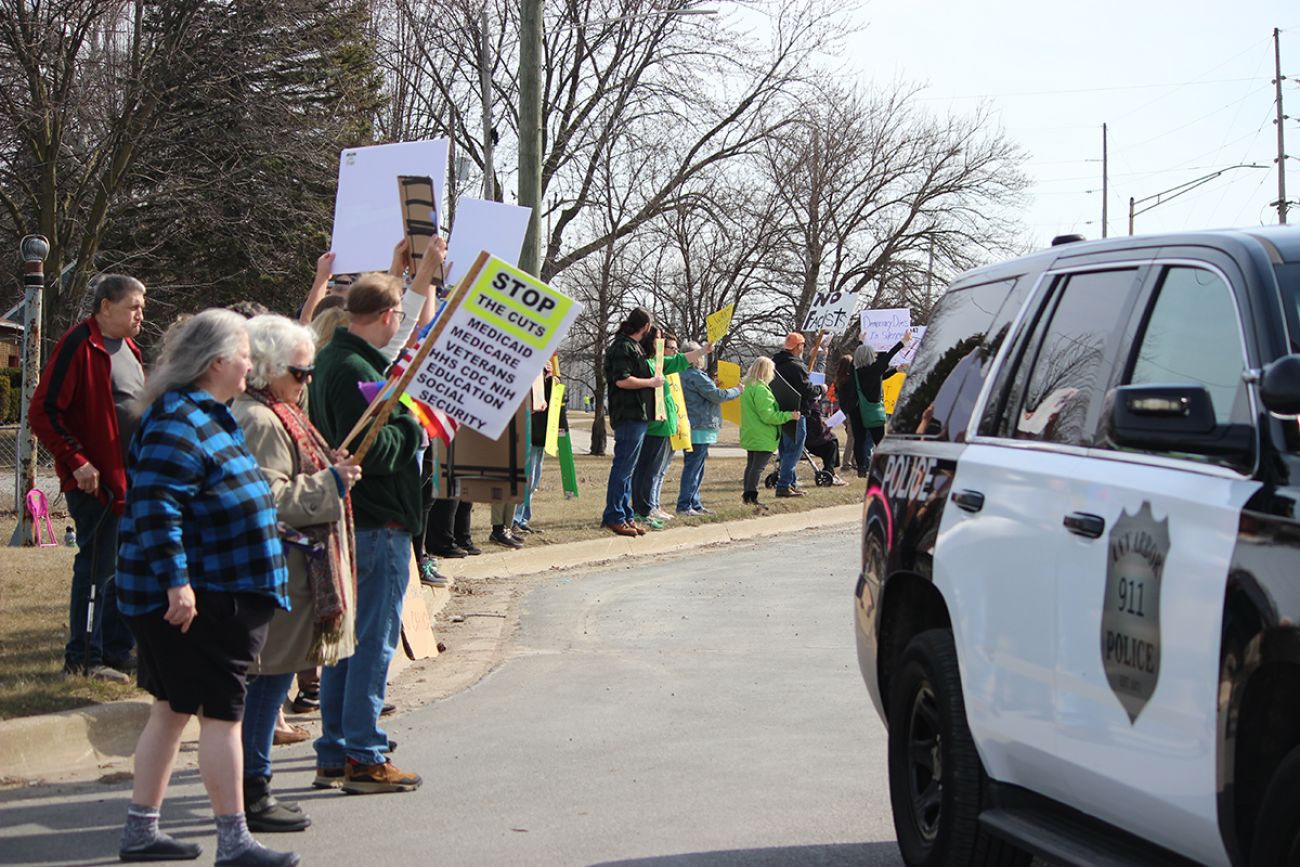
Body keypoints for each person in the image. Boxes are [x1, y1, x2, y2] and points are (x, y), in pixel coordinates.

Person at [114, 310, 298, 866]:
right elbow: (154, 507)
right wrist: (178, 585)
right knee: (222, 715)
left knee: (171, 708)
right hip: (203, 599)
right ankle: (234, 841)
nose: (251, 363)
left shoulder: (205, 414)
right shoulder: (179, 420)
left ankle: (140, 832)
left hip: (216, 591)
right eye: (244, 353)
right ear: (217, 362)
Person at [232, 315, 362, 832]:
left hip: (289, 567)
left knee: (272, 681)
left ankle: (251, 784)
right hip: (278, 568)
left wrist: (332, 475)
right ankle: (252, 790)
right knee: (267, 683)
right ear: (268, 368)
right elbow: (269, 498)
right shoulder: (260, 419)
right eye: (300, 373)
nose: (306, 382)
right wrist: (331, 483)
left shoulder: (275, 411)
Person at [309, 274, 424, 795]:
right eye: (400, 313)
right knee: (373, 642)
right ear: (386, 315)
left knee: (345, 643)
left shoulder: (339, 357)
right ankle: (363, 753)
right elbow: (370, 452)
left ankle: (335, 747)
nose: (401, 322)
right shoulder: (354, 367)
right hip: (377, 521)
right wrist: (414, 428)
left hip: (358, 521)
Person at [29, 274, 146, 683]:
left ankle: (115, 649)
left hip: (129, 481)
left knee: (124, 567)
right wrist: (77, 461)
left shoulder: (129, 348)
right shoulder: (80, 344)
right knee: (97, 569)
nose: (141, 316)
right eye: (134, 306)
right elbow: (43, 411)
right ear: (105, 306)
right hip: (94, 482)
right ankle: (84, 657)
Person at [600, 307, 663, 537]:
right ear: (645, 327)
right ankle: (614, 516)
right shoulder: (622, 346)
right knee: (623, 468)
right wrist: (651, 383)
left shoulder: (634, 346)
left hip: (639, 415)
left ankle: (626, 515)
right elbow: (622, 381)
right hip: (628, 415)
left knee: (629, 469)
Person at [676, 341, 740, 515]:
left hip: (692, 424)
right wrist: (737, 390)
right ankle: (685, 505)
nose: (703, 358)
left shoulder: (682, 374)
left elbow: (707, 393)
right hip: (700, 426)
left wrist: (713, 384)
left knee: (696, 466)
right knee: (693, 467)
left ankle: (694, 503)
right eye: (700, 355)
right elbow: (717, 396)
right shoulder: (695, 375)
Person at [513, 361, 565, 535]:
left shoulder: (549, 363)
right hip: (527, 426)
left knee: (534, 479)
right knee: (525, 477)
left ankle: (522, 519)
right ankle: (513, 519)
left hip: (542, 430)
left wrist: (552, 378)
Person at [739, 357, 798, 510]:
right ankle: (751, 496)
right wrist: (789, 416)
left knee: (751, 465)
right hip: (762, 434)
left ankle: (747, 495)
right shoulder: (760, 390)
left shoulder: (747, 386)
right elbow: (768, 416)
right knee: (758, 467)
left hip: (751, 432)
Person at [851, 331, 913, 473]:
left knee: (859, 440)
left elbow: (881, 376)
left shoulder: (854, 371)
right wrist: (902, 342)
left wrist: (860, 342)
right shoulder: (874, 369)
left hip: (858, 410)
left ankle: (861, 468)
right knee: (879, 440)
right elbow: (887, 358)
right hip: (873, 410)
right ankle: (885, 466)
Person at [771, 332, 819, 498]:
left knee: (785, 449)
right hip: (797, 412)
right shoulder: (796, 367)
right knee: (794, 450)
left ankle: (790, 483)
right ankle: (784, 485)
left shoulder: (775, 364)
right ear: (798, 347)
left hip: (780, 412)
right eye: (802, 345)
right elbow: (807, 390)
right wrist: (820, 389)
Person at [804, 398, 848, 485]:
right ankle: (830, 472)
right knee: (832, 443)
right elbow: (817, 429)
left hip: (808, 439)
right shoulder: (812, 407)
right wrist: (827, 427)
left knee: (832, 441)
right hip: (811, 442)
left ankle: (831, 471)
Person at [833, 354, 860, 473]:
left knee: (854, 436)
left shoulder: (839, 380)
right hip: (851, 411)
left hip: (843, 412)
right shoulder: (850, 380)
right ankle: (847, 463)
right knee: (852, 437)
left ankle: (854, 461)